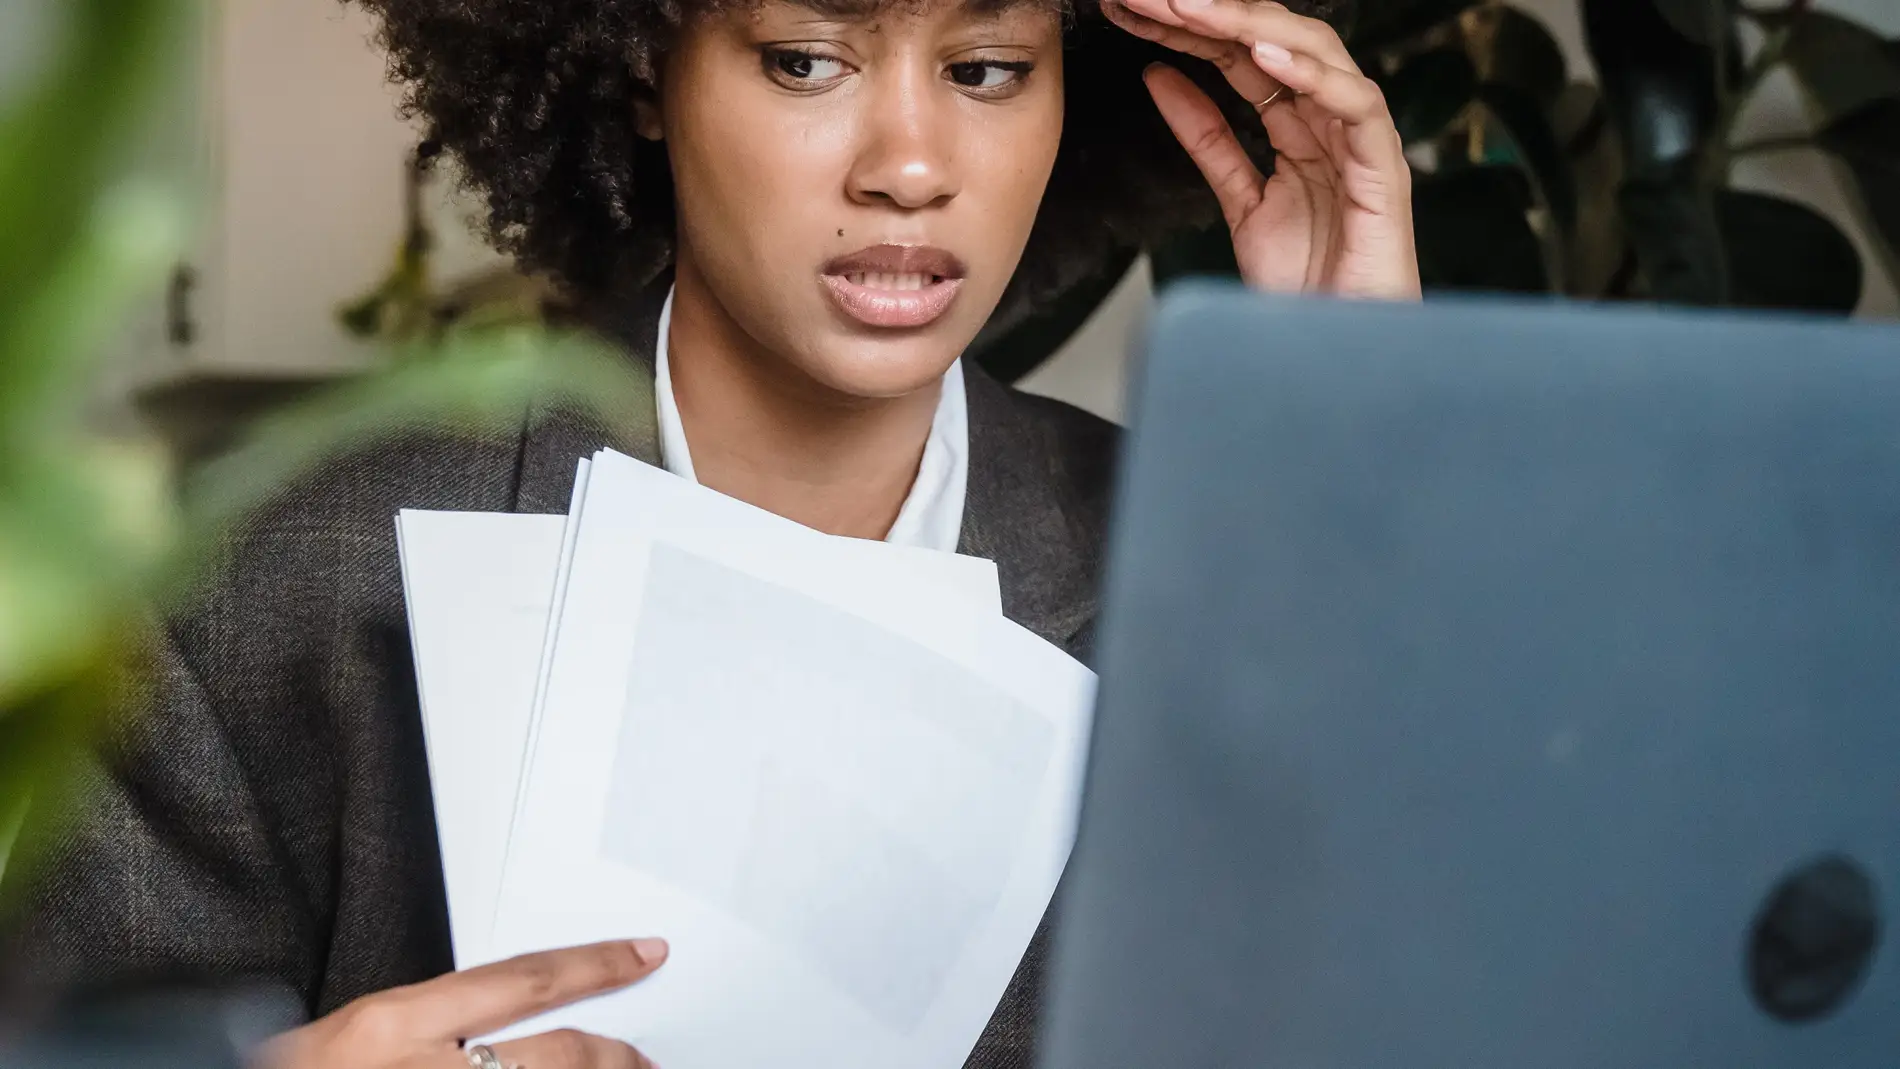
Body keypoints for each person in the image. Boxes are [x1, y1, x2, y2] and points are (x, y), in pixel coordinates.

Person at [10, 0, 1418, 1064]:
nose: (912, 167)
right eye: (810, 58)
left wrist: (1365, 452)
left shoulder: (1225, 568)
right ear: (642, 70)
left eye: (988, 69)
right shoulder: (283, 578)